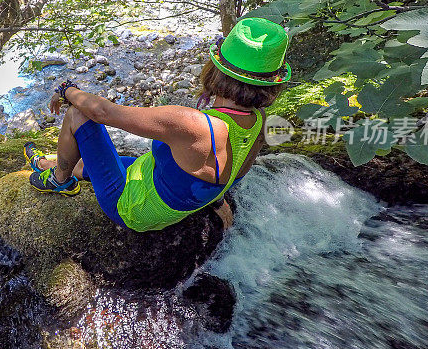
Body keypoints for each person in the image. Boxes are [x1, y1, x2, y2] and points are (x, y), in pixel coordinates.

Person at [24, 17, 291, 232]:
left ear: (217, 70)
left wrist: (66, 89)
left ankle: (60, 180)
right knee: (100, 161)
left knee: (77, 116)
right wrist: (216, 201)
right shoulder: (257, 121)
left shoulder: (192, 124)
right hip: (167, 189)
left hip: (132, 208)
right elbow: (232, 170)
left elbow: (101, 112)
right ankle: (55, 164)